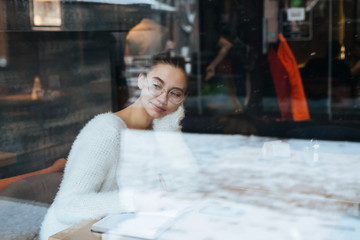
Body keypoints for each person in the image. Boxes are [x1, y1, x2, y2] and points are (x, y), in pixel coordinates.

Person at [39, 56, 188, 240]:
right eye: (157, 85)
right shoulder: (106, 130)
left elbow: (181, 185)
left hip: (119, 230)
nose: (163, 99)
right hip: (71, 234)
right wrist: (135, 200)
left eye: (175, 93)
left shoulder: (155, 130)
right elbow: (67, 206)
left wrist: (169, 128)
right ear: (141, 80)